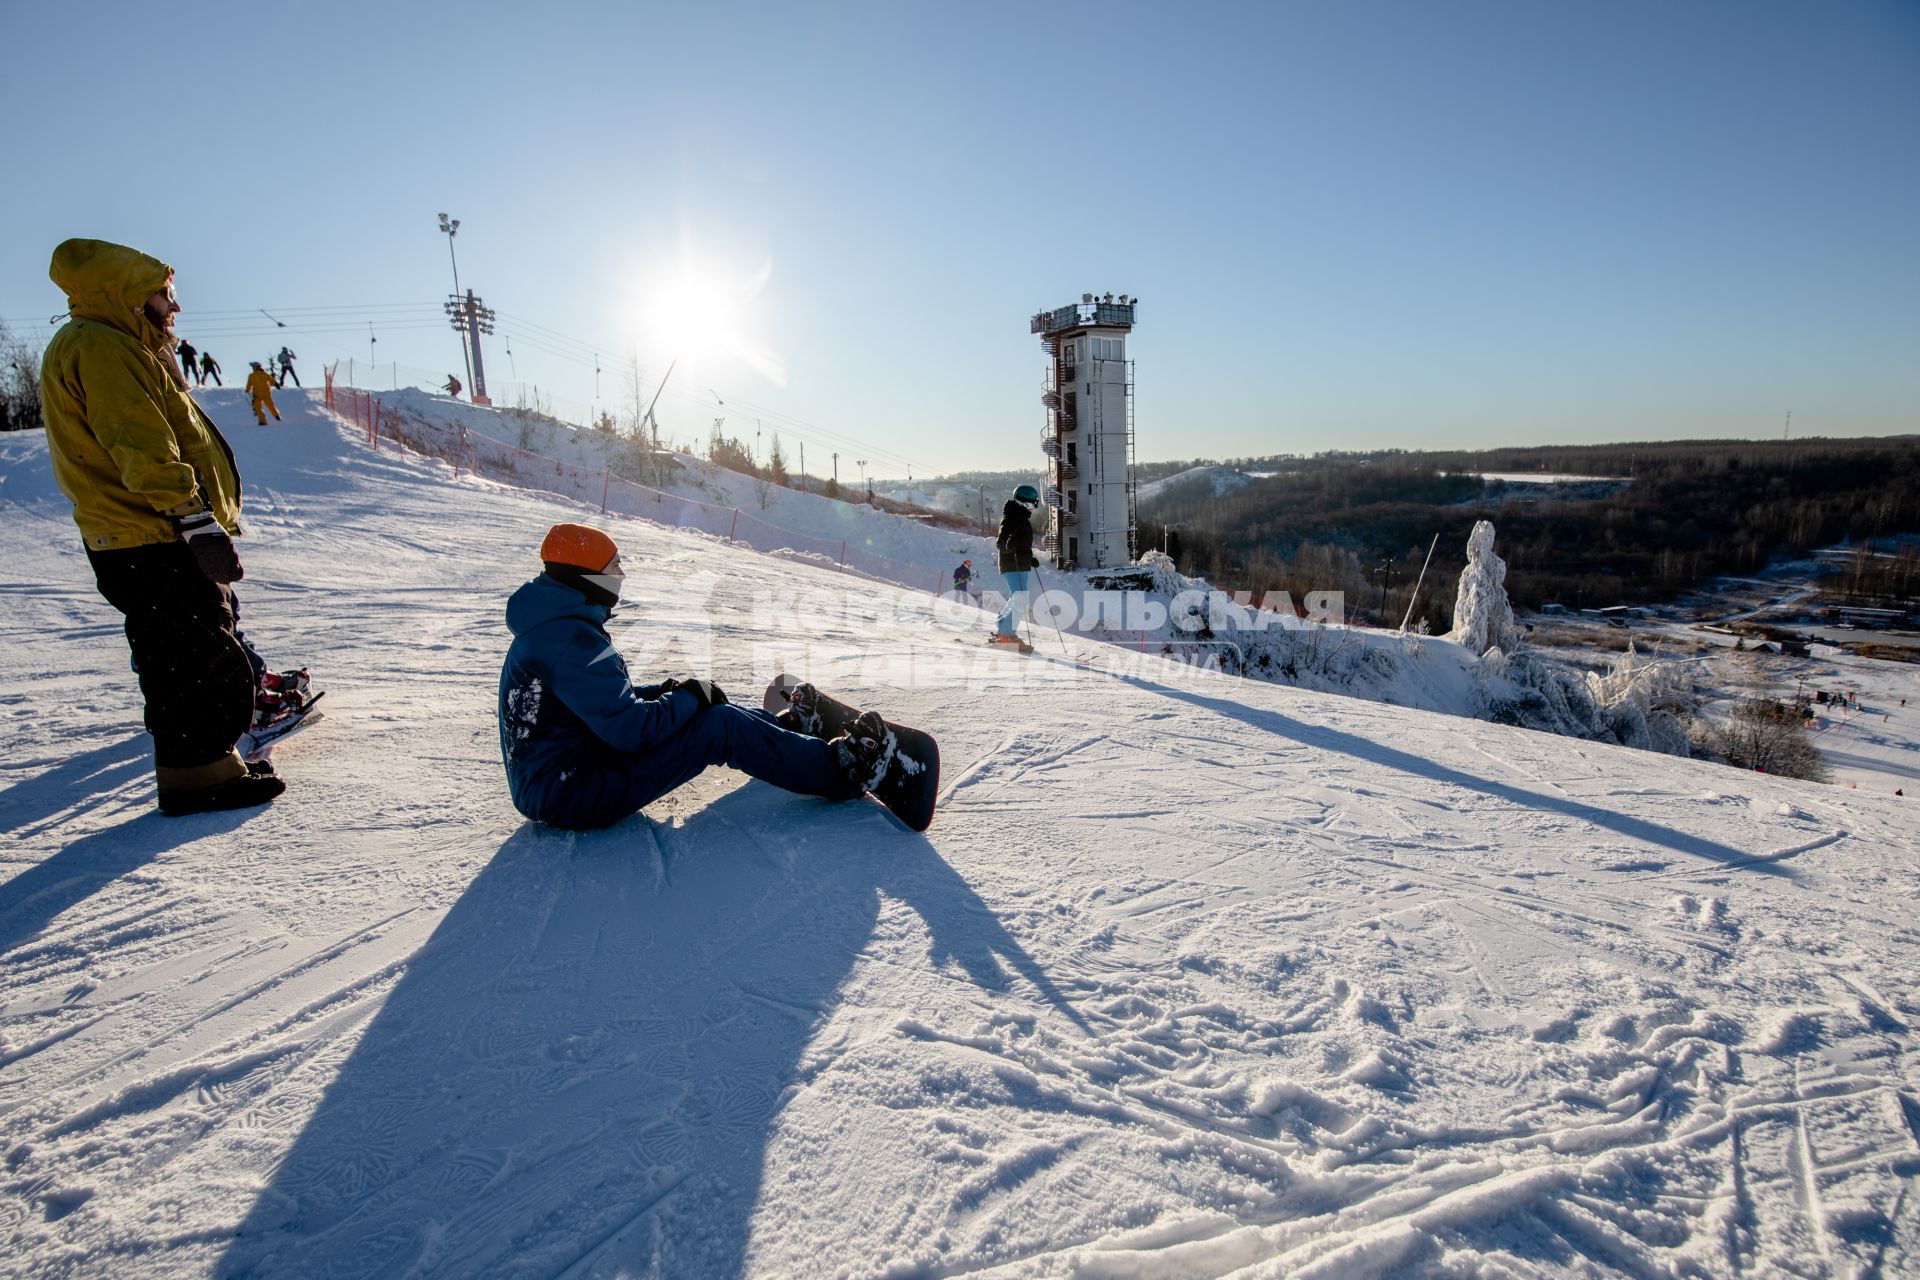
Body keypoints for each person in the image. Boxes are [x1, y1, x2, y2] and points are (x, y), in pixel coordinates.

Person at [38, 238, 284, 816]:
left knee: (190, 651)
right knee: (191, 658)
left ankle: (206, 766)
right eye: (164, 294)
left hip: (150, 533)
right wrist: (196, 523)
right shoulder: (100, 347)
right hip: (148, 535)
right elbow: (142, 445)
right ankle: (197, 778)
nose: (173, 307)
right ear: (126, 294)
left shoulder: (120, 345)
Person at [498, 523, 894, 831]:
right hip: (571, 794)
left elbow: (598, 707)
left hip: (571, 773)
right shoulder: (570, 639)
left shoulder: (556, 627)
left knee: (708, 708)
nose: (622, 574)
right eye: (614, 566)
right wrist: (688, 698)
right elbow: (630, 730)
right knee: (717, 727)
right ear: (587, 577)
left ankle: (783, 733)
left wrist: (672, 692)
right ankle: (842, 771)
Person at [992, 484, 1040, 644]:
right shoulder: (1011, 518)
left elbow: (1022, 543)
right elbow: (1001, 543)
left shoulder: (1022, 518)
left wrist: (1029, 558)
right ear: (1024, 502)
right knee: (1021, 600)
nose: (1035, 506)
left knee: (1018, 598)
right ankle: (1006, 634)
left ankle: (1003, 629)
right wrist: (1008, 544)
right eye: (1033, 503)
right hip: (1012, 564)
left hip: (1021, 564)